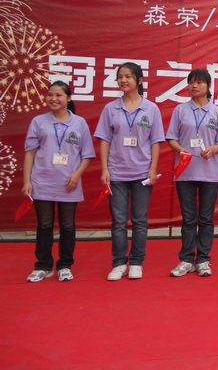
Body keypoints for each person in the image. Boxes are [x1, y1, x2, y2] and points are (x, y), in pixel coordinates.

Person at [95, 62, 165, 280]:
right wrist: (105, 169)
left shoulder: (151, 109)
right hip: (116, 173)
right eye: (120, 77)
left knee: (140, 220)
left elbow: (155, 141)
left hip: (142, 173)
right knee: (118, 221)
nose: (123, 80)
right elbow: (105, 140)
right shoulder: (111, 109)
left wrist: (153, 169)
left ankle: (136, 262)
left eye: (128, 76)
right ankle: (118, 263)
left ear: (139, 80)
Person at [22, 81, 95, 282]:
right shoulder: (38, 121)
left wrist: (76, 174)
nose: (53, 99)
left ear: (68, 98)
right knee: (44, 225)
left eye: (59, 95)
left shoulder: (79, 123)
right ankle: (43, 266)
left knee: (68, 226)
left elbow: (87, 154)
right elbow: (29, 153)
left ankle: (65, 265)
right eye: (50, 95)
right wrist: (27, 180)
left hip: (69, 183)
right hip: (42, 181)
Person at [166, 69, 218, 277]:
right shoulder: (180, 110)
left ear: (208, 86)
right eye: (191, 82)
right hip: (185, 171)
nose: (194, 86)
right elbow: (171, 137)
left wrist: (213, 149)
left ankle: (203, 260)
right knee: (188, 218)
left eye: (199, 82)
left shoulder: (217, 112)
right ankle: (186, 259)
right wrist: (179, 149)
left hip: (209, 172)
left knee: (206, 218)